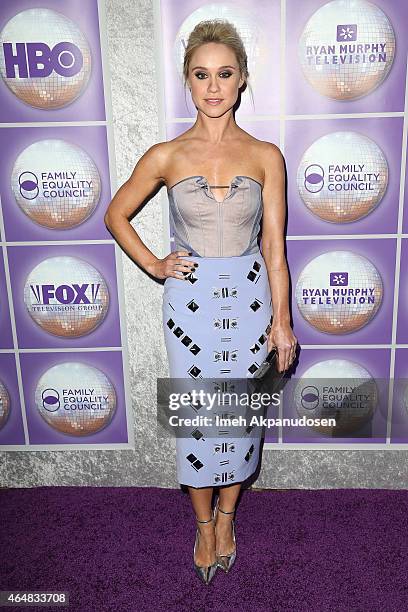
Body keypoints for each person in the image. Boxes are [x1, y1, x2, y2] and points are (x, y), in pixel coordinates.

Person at [104, 18, 297, 584]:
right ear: (187, 83)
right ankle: (202, 524)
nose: (213, 87)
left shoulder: (266, 156)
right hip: (188, 309)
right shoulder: (167, 155)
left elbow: (275, 248)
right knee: (196, 418)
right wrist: (156, 265)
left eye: (225, 74)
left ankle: (229, 515)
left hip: (251, 303)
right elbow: (116, 214)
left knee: (239, 419)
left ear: (242, 82)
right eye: (201, 75)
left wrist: (282, 323)